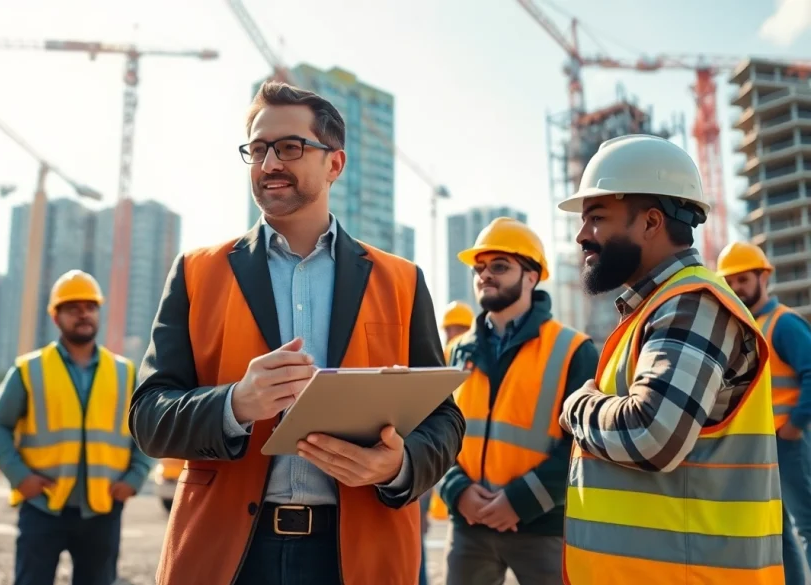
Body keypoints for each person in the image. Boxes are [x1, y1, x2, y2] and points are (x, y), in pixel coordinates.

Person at [129, 81, 466, 585]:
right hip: (225, 555)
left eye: (289, 147)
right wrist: (236, 404)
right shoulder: (197, 273)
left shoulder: (401, 281)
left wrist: (399, 465)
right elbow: (148, 418)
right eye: (258, 149)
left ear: (335, 164)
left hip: (359, 556)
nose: (269, 163)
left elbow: (444, 420)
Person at [557, 134, 783, 584]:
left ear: (651, 222)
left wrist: (577, 406)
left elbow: (651, 435)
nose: (582, 236)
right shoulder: (656, 307)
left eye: (596, 218)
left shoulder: (692, 304)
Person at [438, 217, 597, 585]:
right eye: (479, 268)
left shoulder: (574, 350)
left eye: (499, 266)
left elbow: (584, 445)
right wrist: (457, 490)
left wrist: (520, 501)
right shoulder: (456, 351)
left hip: (543, 526)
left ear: (531, 276)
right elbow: (434, 430)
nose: (484, 275)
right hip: (468, 524)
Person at [0, 269, 156, 585]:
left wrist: (136, 476)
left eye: (90, 307)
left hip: (103, 508)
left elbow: (147, 429)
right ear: (56, 316)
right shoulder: (29, 369)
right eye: (73, 308)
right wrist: (20, 477)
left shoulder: (125, 372)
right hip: (43, 505)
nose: (83, 314)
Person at [718, 241, 811, 584]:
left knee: (807, 524)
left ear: (764, 277)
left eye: (743, 279)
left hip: (787, 441)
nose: (737, 288)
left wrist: (794, 426)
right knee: (776, 530)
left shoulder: (783, 323)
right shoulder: (742, 329)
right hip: (759, 445)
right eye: (730, 282)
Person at [417, 300, 476, 584]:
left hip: (459, 470)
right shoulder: (440, 359)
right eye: (450, 329)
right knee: (415, 538)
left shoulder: (474, 359)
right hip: (439, 467)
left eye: (459, 328)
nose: (454, 334)